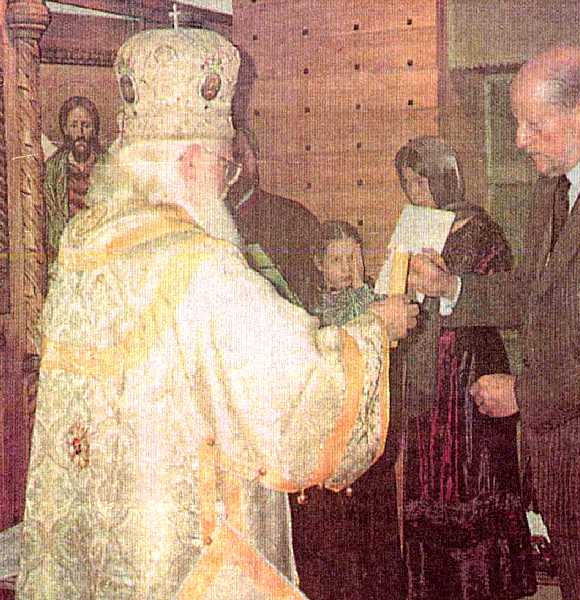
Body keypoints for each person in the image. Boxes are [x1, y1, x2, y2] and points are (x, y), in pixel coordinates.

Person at [16, 27, 417, 599]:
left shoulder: (84, 244)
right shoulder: (198, 265)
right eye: (225, 166)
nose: (227, 186)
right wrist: (376, 330)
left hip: (98, 544)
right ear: (191, 158)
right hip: (188, 550)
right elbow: (301, 393)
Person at [409, 46, 580, 600]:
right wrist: (452, 288)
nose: (518, 139)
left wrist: (523, 393)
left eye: (532, 123)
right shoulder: (557, 190)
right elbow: (534, 291)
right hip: (573, 467)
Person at [394, 136, 537, 600]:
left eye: (423, 181)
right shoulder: (415, 227)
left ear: (443, 177)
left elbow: (505, 299)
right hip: (425, 366)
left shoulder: (479, 227)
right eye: (408, 183)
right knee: (431, 473)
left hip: (468, 363)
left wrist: (444, 284)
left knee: (471, 472)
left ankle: (480, 584)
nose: (417, 192)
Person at [289, 220, 405, 600]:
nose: (348, 266)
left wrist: (361, 291)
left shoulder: (372, 301)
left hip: (369, 423)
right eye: (338, 259)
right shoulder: (313, 309)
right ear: (319, 264)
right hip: (333, 430)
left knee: (372, 528)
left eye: (354, 257)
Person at [228, 127, 322, 309]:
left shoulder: (294, 218)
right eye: (226, 160)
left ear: (256, 157)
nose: (234, 168)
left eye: (239, 156)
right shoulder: (205, 223)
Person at [44, 96, 106, 263]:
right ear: (65, 129)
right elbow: (52, 215)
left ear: (94, 129)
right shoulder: (53, 169)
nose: (80, 133)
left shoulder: (106, 164)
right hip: (65, 249)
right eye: (74, 125)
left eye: (86, 125)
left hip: (99, 249)